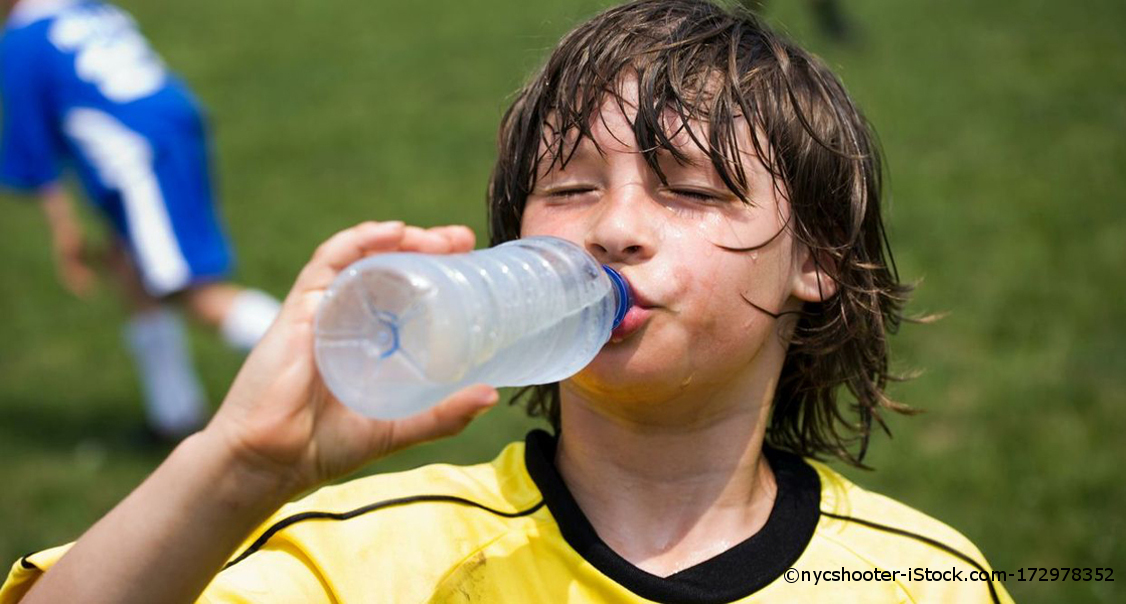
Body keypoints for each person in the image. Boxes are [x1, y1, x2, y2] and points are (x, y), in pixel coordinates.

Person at [0, 1, 1013, 602]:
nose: (613, 226)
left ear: (817, 260)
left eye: (692, 189)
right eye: (570, 187)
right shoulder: (372, 558)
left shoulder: (924, 577)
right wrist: (239, 465)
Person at [0, 0, 281, 440]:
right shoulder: (88, 8)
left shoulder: (22, 42)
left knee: (191, 291)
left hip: (137, 155)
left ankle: (335, 361)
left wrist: (64, 230)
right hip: (169, 128)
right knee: (132, 267)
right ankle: (174, 415)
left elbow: (35, 154)